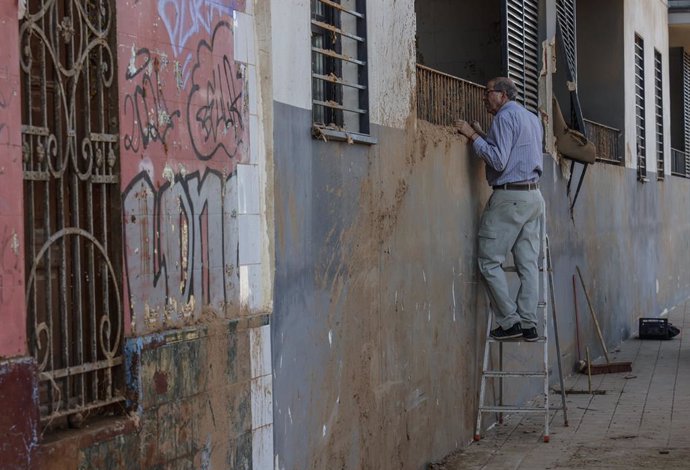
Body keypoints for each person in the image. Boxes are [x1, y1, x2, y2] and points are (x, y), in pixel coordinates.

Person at [455, 77, 544, 342]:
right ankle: (529, 324)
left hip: (510, 198)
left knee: (488, 261)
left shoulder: (504, 119)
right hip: (533, 197)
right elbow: (512, 152)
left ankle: (509, 321)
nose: (484, 97)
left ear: (502, 95)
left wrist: (471, 136)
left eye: (487, 92)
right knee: (528, 264)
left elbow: (498, 159)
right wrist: (482, 135)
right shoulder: (530, 118)